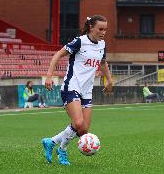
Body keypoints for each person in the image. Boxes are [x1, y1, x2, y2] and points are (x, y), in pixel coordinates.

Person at [41, 15, 113, 166]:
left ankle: (51, 141)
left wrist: (109, 80)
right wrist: (49, 75)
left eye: (105, 29)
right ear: (91, 27)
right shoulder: (80, 41)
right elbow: (57, 55)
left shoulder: (102, 44)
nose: (103, 32)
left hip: (87, 90)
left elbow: (103, 62)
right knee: (78, 122)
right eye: (100, 29)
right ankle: (62, 150)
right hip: (71, 86)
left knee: (83, 130)